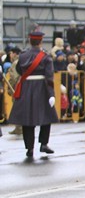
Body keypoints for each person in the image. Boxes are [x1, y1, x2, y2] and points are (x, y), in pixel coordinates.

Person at [8, 30, 59, 158]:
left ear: (30, 41)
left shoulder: (23, 55)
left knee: (27, 119)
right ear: (40, 41)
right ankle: (43, 143)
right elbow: (49, 77)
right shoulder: (45, 57)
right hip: (41, 88)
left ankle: (29, 148)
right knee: (46, 116)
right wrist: (51, 94)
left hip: (26, 87)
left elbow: (19, 70)